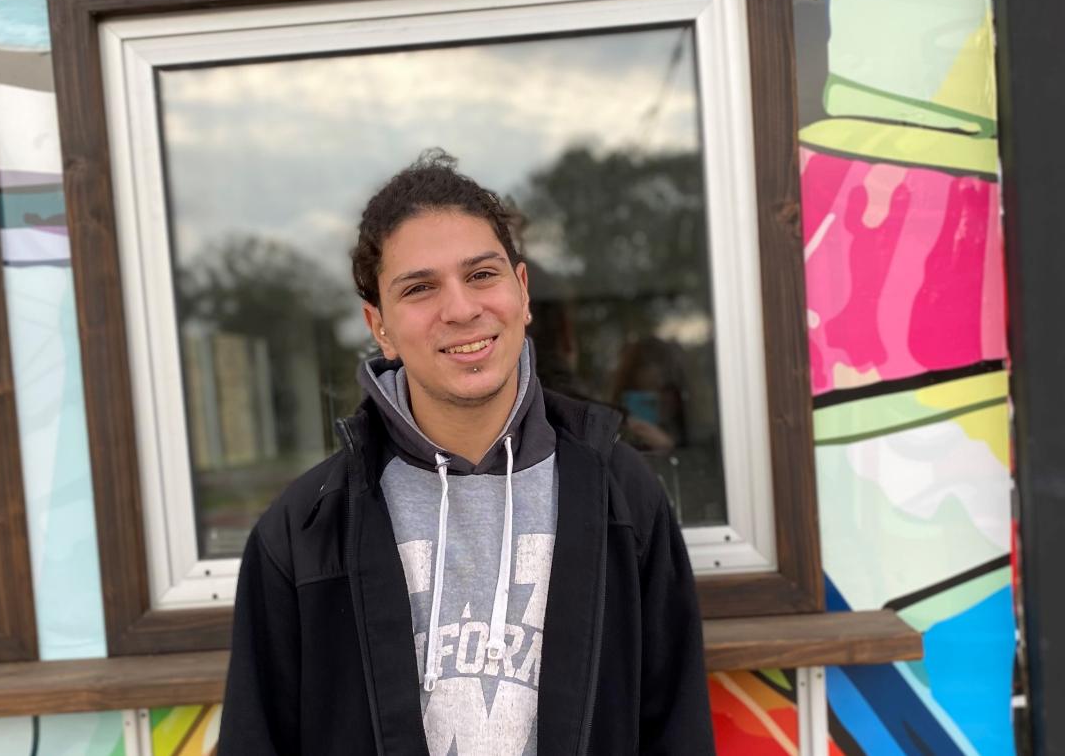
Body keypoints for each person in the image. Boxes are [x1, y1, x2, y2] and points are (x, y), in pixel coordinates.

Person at [219, 151, 715, 755]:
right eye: (419, 288)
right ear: (379, 326)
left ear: (522, 291)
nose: (460, 309)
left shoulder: (620, 493)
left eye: (481, 275)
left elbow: (676, 728)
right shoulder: (305, 528)